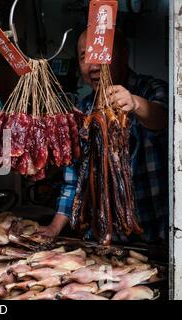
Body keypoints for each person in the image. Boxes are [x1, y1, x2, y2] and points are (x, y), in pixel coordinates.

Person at [38, 29, 169, 244]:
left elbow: (162, 120)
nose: (94, 65)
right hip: (103, 242)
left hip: (155, 239)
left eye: (102, 54)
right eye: (84, 57)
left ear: (124, 54)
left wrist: (134, 103)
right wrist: (54, 228)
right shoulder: (83, 110)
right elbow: (74, 180)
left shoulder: (152, 90)